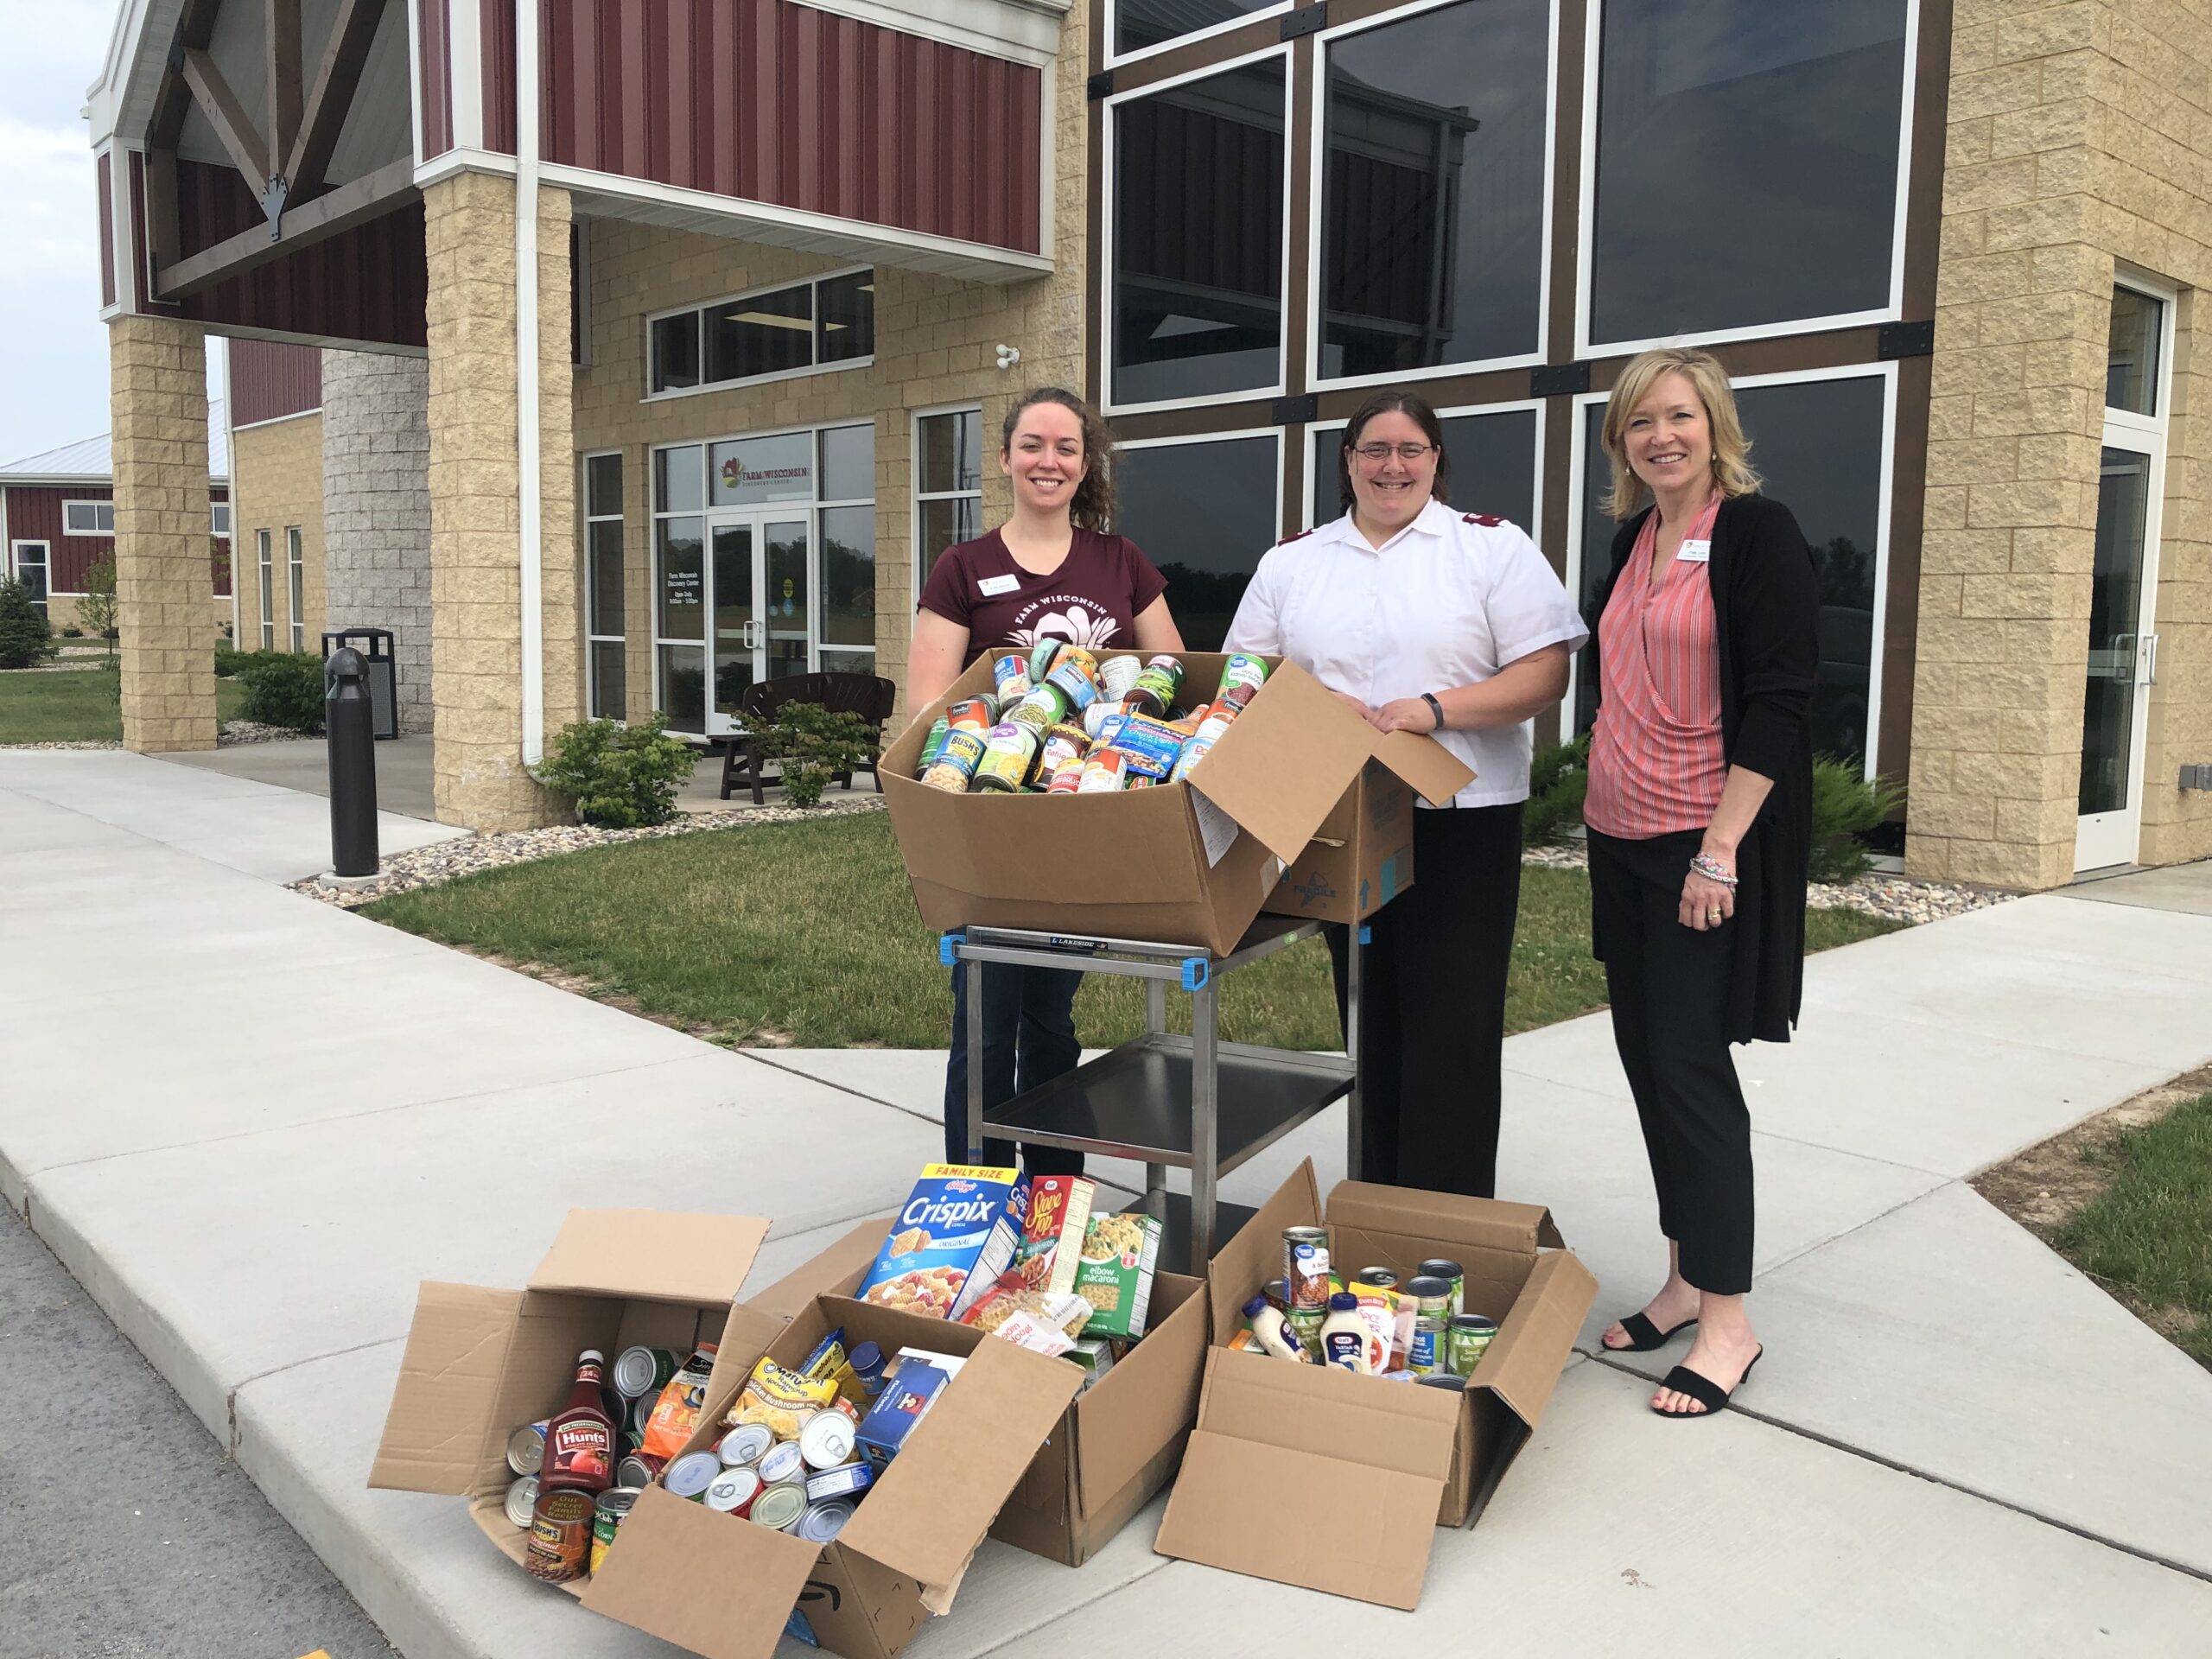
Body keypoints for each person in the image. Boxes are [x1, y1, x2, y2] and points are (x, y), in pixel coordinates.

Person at [1224, 390, 1586, 1198]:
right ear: (1347, 462)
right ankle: (1377, 1206)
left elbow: (1544, 672)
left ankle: (1445, 1229)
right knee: (1371, 1023)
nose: (1392, 466)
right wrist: (1315, 710)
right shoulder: (1294, 561)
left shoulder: (1491, 550)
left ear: (1435, 460)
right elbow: (1246, 678)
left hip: (1461, 820)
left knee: (1453, 1029)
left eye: (1410, 450)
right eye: (1374, 450)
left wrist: (1432, 712)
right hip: (1341, 815)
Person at [1582, 346, 1819, 1419]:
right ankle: (1683, 1278)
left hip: (1698, 846)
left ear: (1712, 425)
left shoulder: (1755, 535)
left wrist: (1719, 850)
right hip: (1617, 837)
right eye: (1640, 422)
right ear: (1622, 440)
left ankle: (1729, 1322)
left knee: (1689, 1072)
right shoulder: (1635, 537)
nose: (1659, 436)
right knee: (1645, 1060)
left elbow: (1779, 702)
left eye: (1677, 416)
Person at [907, 387, 1186, 1172]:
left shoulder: (1121, 562)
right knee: (987, 1019)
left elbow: (1172, 675)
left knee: (1053, 1017)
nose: (1049, 461)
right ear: (1004, 459)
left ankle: (1054, 1187)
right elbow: (929, 701)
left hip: (1081, 821)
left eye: (1067, 447)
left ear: (1085, 463)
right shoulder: (964, 567)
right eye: (1033, 445)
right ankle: (978, 1188)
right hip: (991, 823)